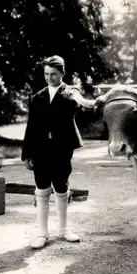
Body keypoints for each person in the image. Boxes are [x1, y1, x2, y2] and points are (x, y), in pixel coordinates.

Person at [22, 55, 95, 249]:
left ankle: (63, 230)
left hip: (61, 148)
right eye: (46, 74)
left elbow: (83, 102)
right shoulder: (38, 97)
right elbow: (31, 127)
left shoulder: (70, 93)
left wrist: (75, 95)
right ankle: (42, 234)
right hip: (40, 149)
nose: (49, 78)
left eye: (53, 74)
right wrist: (26, 154)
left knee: (62, 188)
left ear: (63, 73)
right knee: (42, 189)